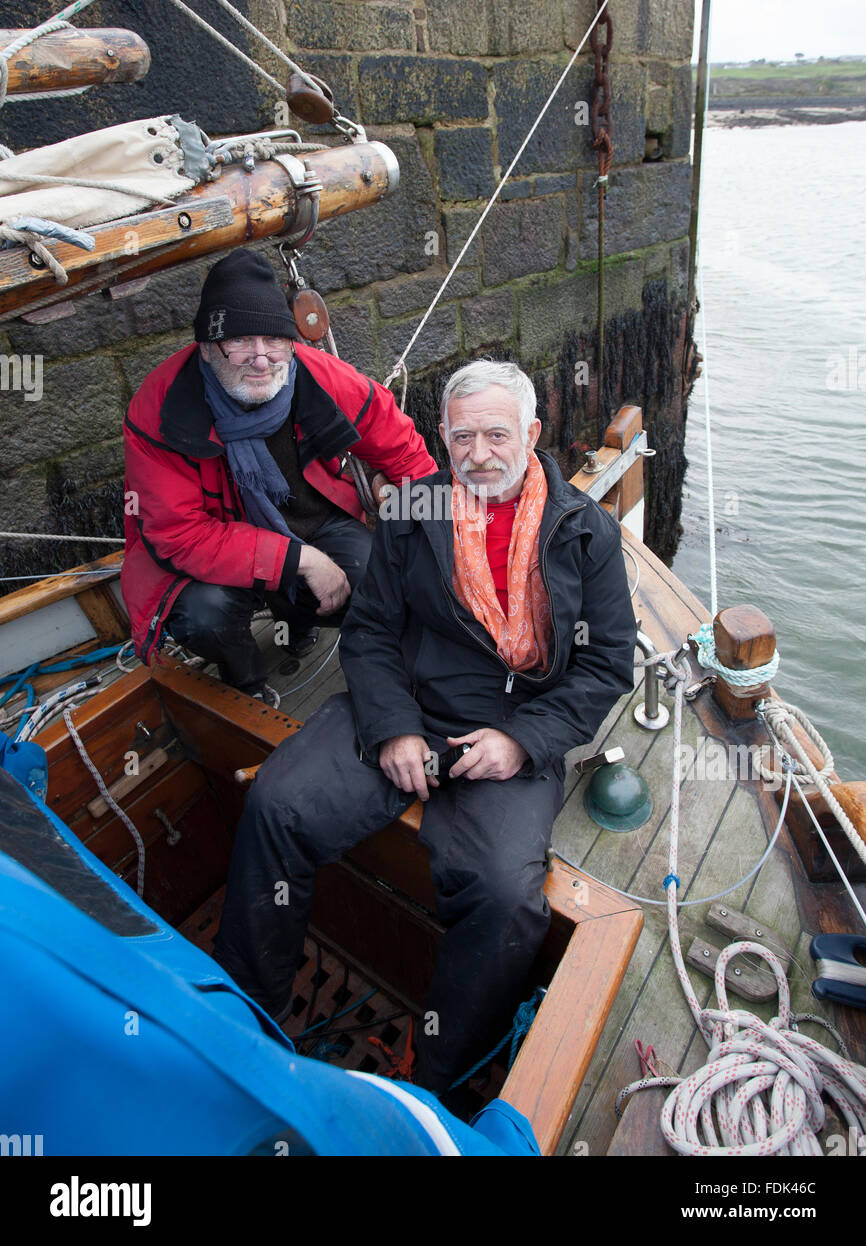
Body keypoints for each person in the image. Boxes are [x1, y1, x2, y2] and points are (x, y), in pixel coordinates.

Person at [212, 359, 637, 1096]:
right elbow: (372, 632)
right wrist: (395, 729)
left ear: (532, 434)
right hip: (406, 704)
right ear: (441, 435)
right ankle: (250, 1016)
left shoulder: (586, 533)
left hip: (511, 730)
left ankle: (438, 1080)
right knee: (278, 802)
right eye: (462, 435)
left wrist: (522, 744)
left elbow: (606, 667)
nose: (479, 454)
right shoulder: (413, 512)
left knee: (507, 899)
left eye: (497, 434)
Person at [121, 248, 437, 696]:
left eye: (275, 340)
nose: (262, 358)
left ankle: (303, 621)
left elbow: (403, 452)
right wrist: (301, 560)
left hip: (315, 522)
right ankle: (245, 680)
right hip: (212, 555)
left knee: (379, 580)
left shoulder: (320, 376)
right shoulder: (159, 412)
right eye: (240, 341)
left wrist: (438, 535)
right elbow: (180, 535)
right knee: (202, 618)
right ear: (208, 349)